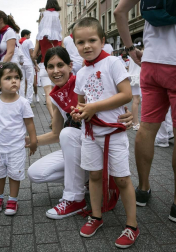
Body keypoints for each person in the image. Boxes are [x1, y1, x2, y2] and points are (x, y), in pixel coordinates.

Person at [27, 46, 134, 224]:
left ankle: (75, 198)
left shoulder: (84, 81)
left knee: (68, 133)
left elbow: (109, 101)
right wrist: (31, 141)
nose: (56, 71)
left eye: (60, 65)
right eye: (50, 67)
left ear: (70, 66)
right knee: (35, 173)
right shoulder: (55, 97)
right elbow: (55, 134)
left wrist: (127, 115)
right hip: (79, 147)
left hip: (98, 144)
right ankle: (85, 181)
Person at [114, 0, 176, 223]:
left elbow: (119, 12)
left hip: (151, 62)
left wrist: (130, 49)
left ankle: (143, 190)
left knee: (146, 126)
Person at [70, 17, 138, 248]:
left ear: (102, 40)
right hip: (90, 134)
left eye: (91, 40)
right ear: (75, 44)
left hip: (114, 133)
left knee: (121, 178)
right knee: (95, 176)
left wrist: (93, 108)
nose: (86, 46)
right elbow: (81, 104)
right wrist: (78, 113)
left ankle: (132, 225)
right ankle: (96, 216)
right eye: (81, 42)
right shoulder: (80, 72)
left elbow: (126, 94)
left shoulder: (113, 62)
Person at [0, 62, 37, 215]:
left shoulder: (23, 103)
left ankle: (13, 199)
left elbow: (30, 124)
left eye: (17, 77)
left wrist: (33, 142)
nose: (14, 81)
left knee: (14, 174)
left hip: (16, 148)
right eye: (8, 78)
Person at [32, 0, 62, 125]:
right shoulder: (59, 38)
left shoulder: (39, 37)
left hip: (45, 67)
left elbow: (34, 55)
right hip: (59, 68)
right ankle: (60, 119)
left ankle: (53, 119)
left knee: (48, 95)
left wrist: (38, 54)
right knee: (59, 94)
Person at [19, 29, 38, 105]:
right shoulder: (28, 42)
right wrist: (35, 64)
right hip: (29, 63)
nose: (29, 37)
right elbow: (31, 54)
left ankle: (21, 100)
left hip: (21, 64)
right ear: (26, 35)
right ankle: (29, 101)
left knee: (22, 82)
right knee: (30, 83)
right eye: (29, 35)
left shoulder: (19, 42)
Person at [128, 37, 143, 131]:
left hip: (132, 77)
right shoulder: (142, 53)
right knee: (137, 101)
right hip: (139, 77)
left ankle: (135, 122)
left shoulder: (131, 54)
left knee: (136, 101)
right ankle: (136, 123)